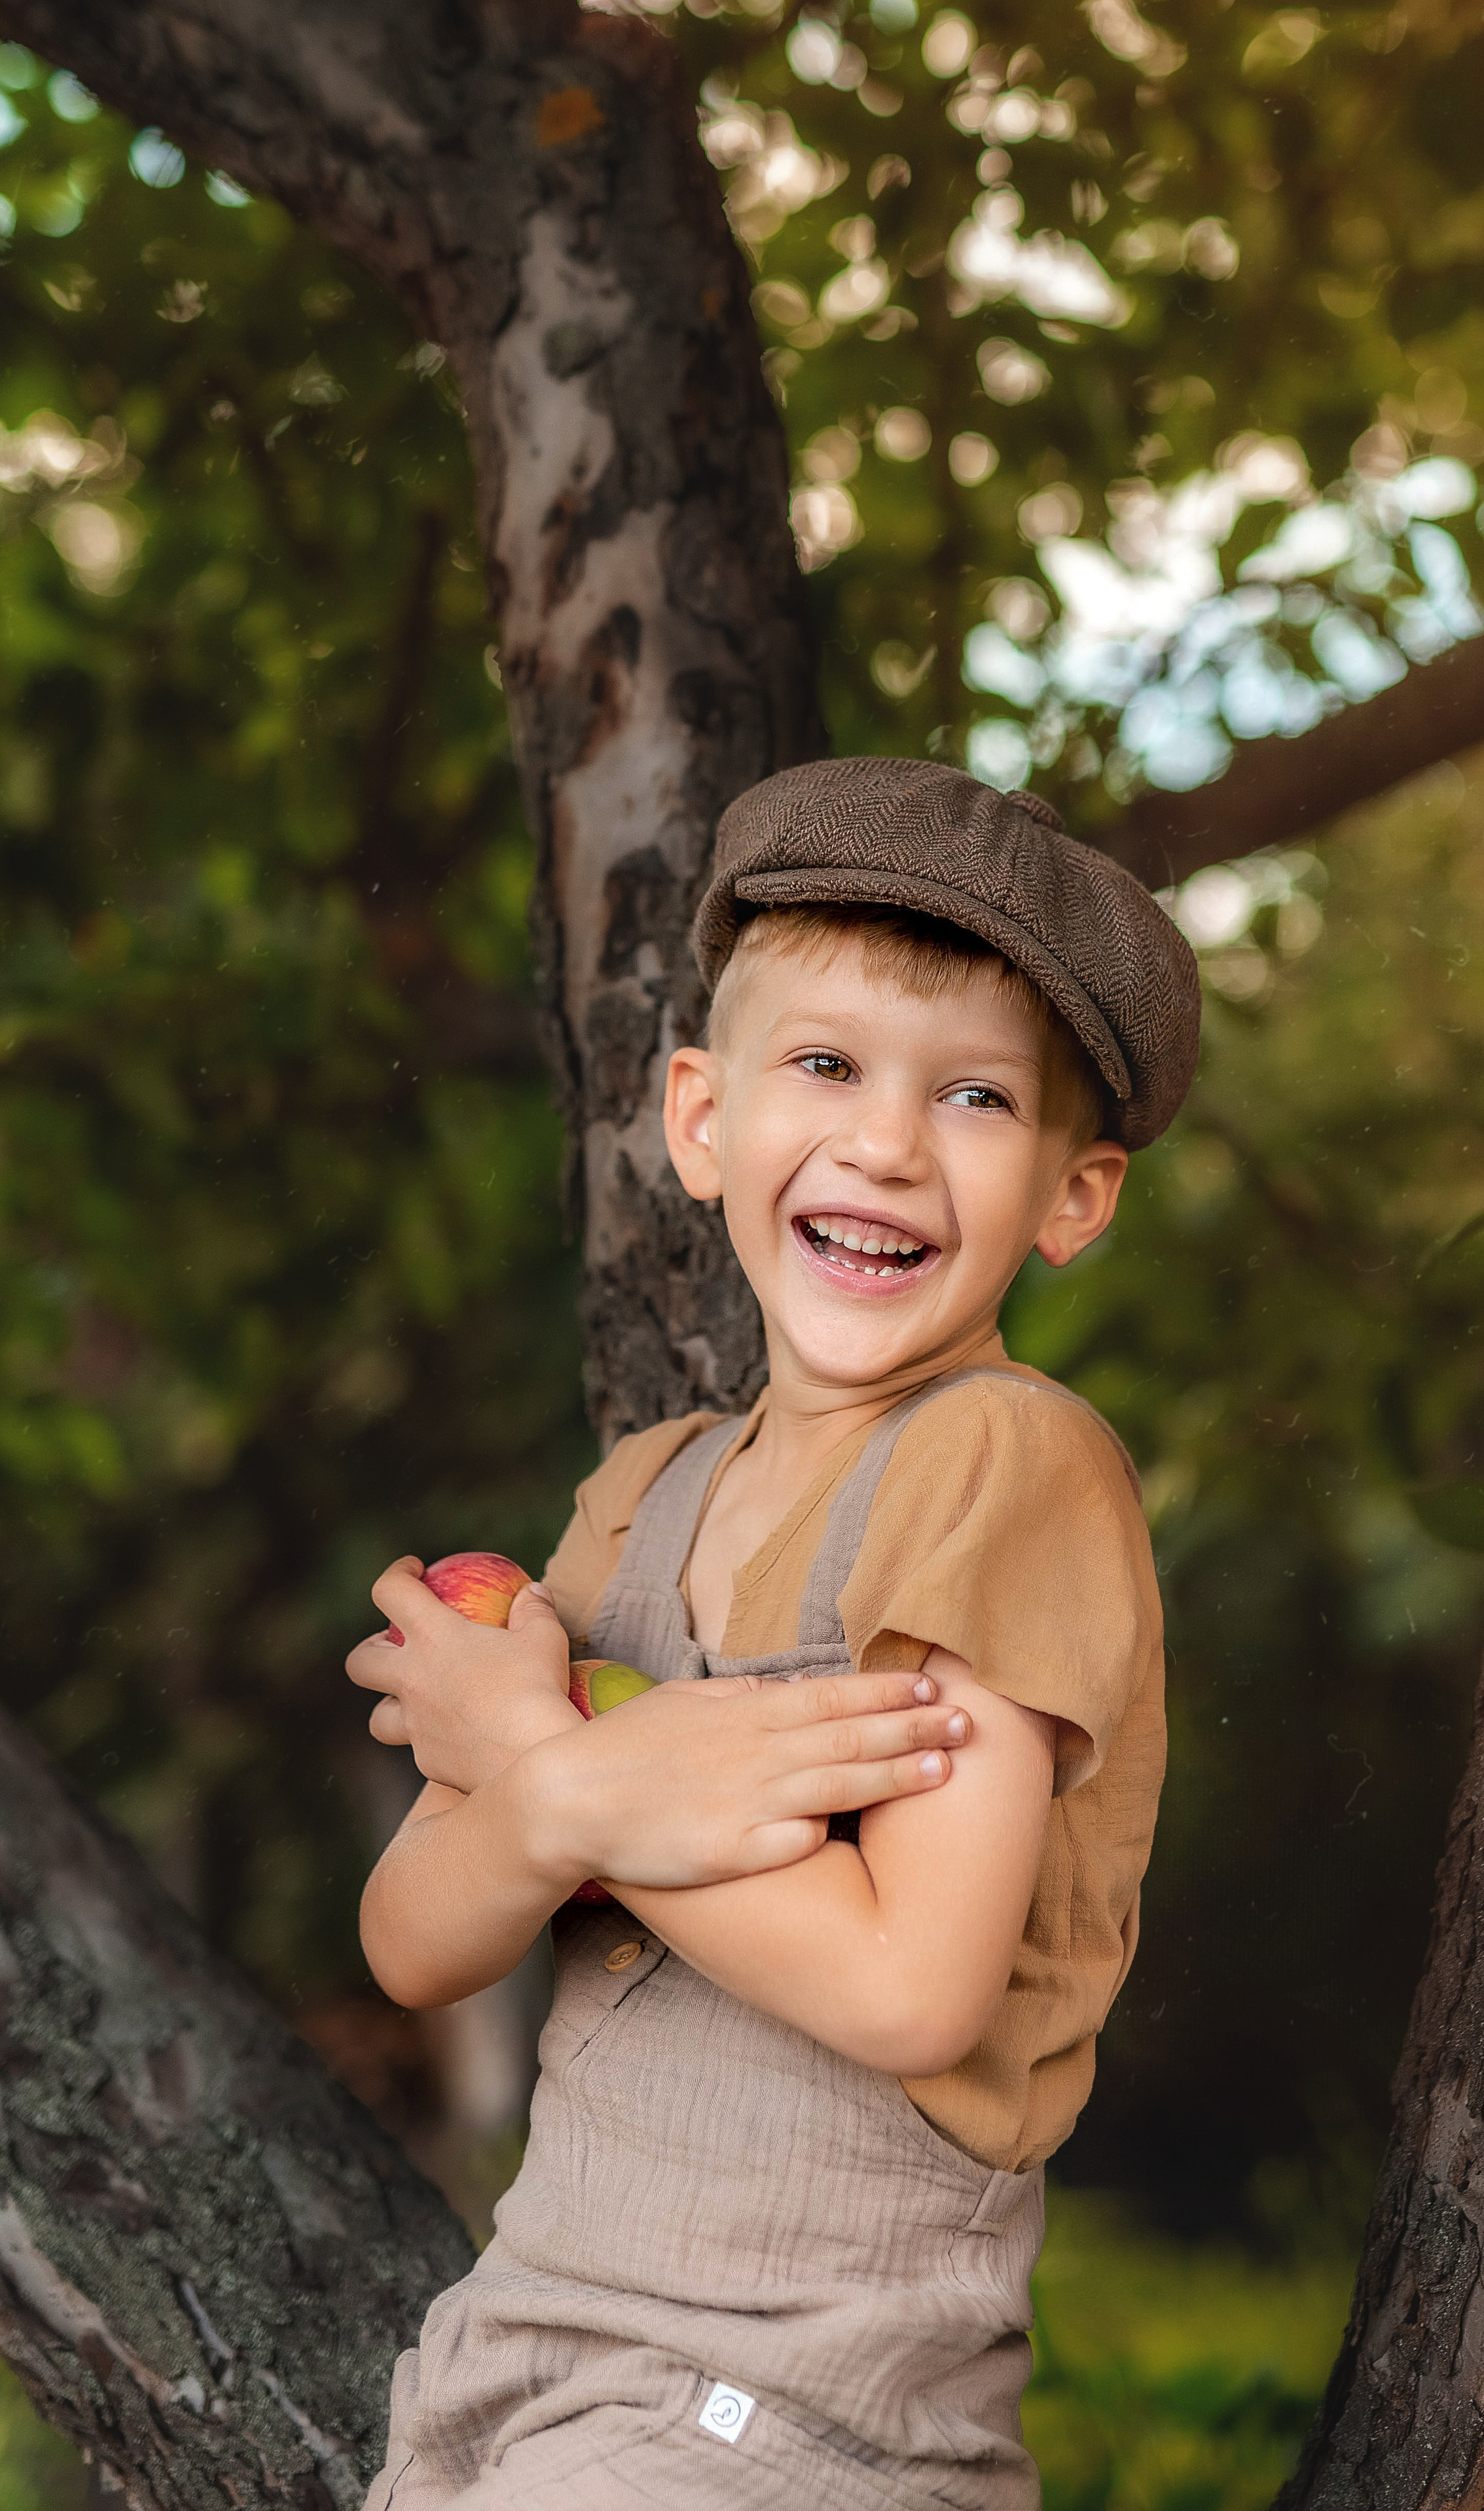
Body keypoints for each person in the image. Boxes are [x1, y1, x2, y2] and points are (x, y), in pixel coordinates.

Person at [348, 757, 1200, 2510]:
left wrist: (555, 1767)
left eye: (973, 1095)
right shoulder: (637, 1495)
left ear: (1072, 1194)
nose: (885, 1141)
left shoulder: (1007, 1461)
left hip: (795, 2419)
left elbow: (912, 1982)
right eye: (825, 1064)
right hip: (521, 2370)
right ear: (701, 1116)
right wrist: (547, 1803)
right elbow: (419, 1940)